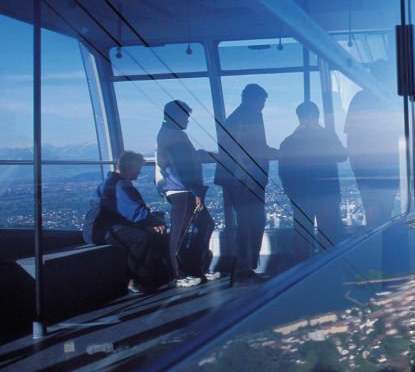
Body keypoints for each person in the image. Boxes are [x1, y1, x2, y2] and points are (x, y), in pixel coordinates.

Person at [83, 151, 170, 293]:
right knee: (140, 238)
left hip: (103, 227)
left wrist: (153, 220)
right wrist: (155, 221)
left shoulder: (113, 183)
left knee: (144, 232)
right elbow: (135, 212)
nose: (140, 172)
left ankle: (155, 274)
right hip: (101, 230)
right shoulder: (119, 185)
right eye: (138, 168)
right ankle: (139, 280)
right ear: (129, 167)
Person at [215, 84, 277, 280]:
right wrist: (252, 175)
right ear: (257, 99)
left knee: (246, 224)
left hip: (235, 177)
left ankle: (245, 268)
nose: (264, 106)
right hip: (245, 178)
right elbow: (250, 148)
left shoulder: (235, 116)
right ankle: (246, 268)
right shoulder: (251, 114)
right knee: (253, 223)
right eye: (263, 101)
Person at [156, 100, 216, 287]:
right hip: (182, 190)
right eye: (185, 116)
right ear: (177, 116)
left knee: (204, 225)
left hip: (184, 190)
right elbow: (183, 168)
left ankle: (198, 268)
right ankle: (179, 275)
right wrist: (196, 191)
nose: (187, 121)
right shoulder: (173, 136)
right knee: (180, 233)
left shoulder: (170, 134)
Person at [279, 101, 348, 249]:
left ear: (299, 118)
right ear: (317, 117)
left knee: (302, 235)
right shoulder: (328, 136)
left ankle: (302, 266)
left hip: (301, 195)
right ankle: (329, 267)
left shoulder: (288, 142)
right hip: (327, 193)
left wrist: (291, 193)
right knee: (329, 235)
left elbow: (283, 171)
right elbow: (342, 156)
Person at [344, 61, 402, 228]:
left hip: (365, 165)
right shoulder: (394, 100)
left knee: (372, 209)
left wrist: (355, 165)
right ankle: (383, 245)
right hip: (390, 164)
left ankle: (376, 242)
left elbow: (351, 138)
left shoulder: (360, 99)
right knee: (386, 208)